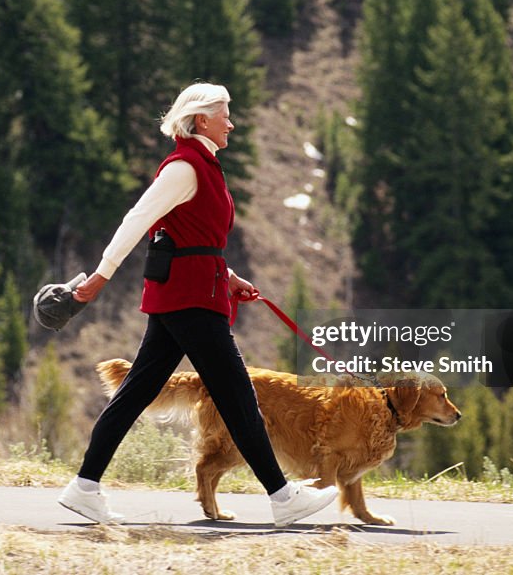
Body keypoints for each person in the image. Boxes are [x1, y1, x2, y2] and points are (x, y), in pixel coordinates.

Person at [57, 82, 338, 527]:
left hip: (191, 292)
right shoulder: (184, 167)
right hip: (190, 299)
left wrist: (229, 277)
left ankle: (84, 487)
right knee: (238, 394)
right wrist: (100, 276)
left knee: (137, 393)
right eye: (225, 113)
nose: (232, 121)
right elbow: (138, 220)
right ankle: (283, 497)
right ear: (201, 119)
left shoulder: (204, 166)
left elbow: (194, 238)